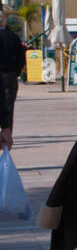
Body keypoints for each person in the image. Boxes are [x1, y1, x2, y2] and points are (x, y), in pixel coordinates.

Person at [0, 9, 28, 148]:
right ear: (4, 21)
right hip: (9, 75)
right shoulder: (13, 37)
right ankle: (7, 133)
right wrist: (16, 72)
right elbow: (21, 57)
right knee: (8, 106)